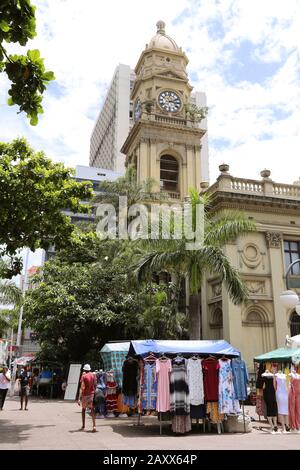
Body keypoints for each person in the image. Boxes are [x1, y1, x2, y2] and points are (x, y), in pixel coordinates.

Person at [77, 364, 97, 432]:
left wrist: (79, 398)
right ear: (89, 369)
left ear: (84, 369)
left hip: (85, 395)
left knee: (83, 410)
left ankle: (83, 425)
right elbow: (95, 384)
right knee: (92, 409)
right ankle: (94, 426)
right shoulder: (93, 375)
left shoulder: (83, 376)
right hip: (92, 394)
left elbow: (82, 387)